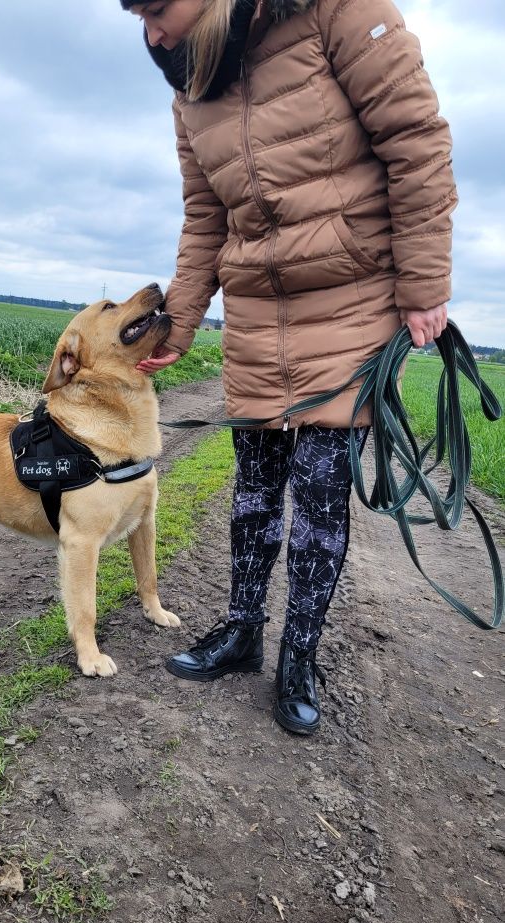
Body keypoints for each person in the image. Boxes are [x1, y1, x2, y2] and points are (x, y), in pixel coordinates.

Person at [120, 0, 456, 734]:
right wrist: (178, 318)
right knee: (254, 489)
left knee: (319, 497)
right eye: (138, 16)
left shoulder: (338, 10)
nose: (153, 33)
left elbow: (415, 141)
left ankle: (298, 655)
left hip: (352, 300)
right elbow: (205, 212)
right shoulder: (190, 82)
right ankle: (242, 632)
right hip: (254, 309)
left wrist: (425, 285)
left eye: (158, 9)